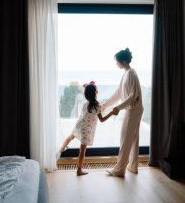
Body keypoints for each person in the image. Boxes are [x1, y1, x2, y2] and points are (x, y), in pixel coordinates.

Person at [58, 81, 118, 176]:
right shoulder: (96, 105)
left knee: (71, 136)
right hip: (86, 130)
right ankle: (79, 170)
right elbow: (101, 119)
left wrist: (100, 108)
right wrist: (111, 113)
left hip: (79, 125)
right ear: (95, 93)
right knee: (82, 151)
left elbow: (91, 111)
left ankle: (61, 148)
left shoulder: (86, 104)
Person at [102, 48, 144, 177]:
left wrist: (118, 108)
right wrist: (106, 104)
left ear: (124, 61)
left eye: (117, 62)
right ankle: (133, 166)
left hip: (133, 109)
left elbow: (132, 96)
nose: (116, 64)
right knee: (133, 138)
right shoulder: (125, 74)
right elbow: (118, 93)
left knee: (125, 138)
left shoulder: (132, 73)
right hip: (133, 109)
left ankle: (119, 170)